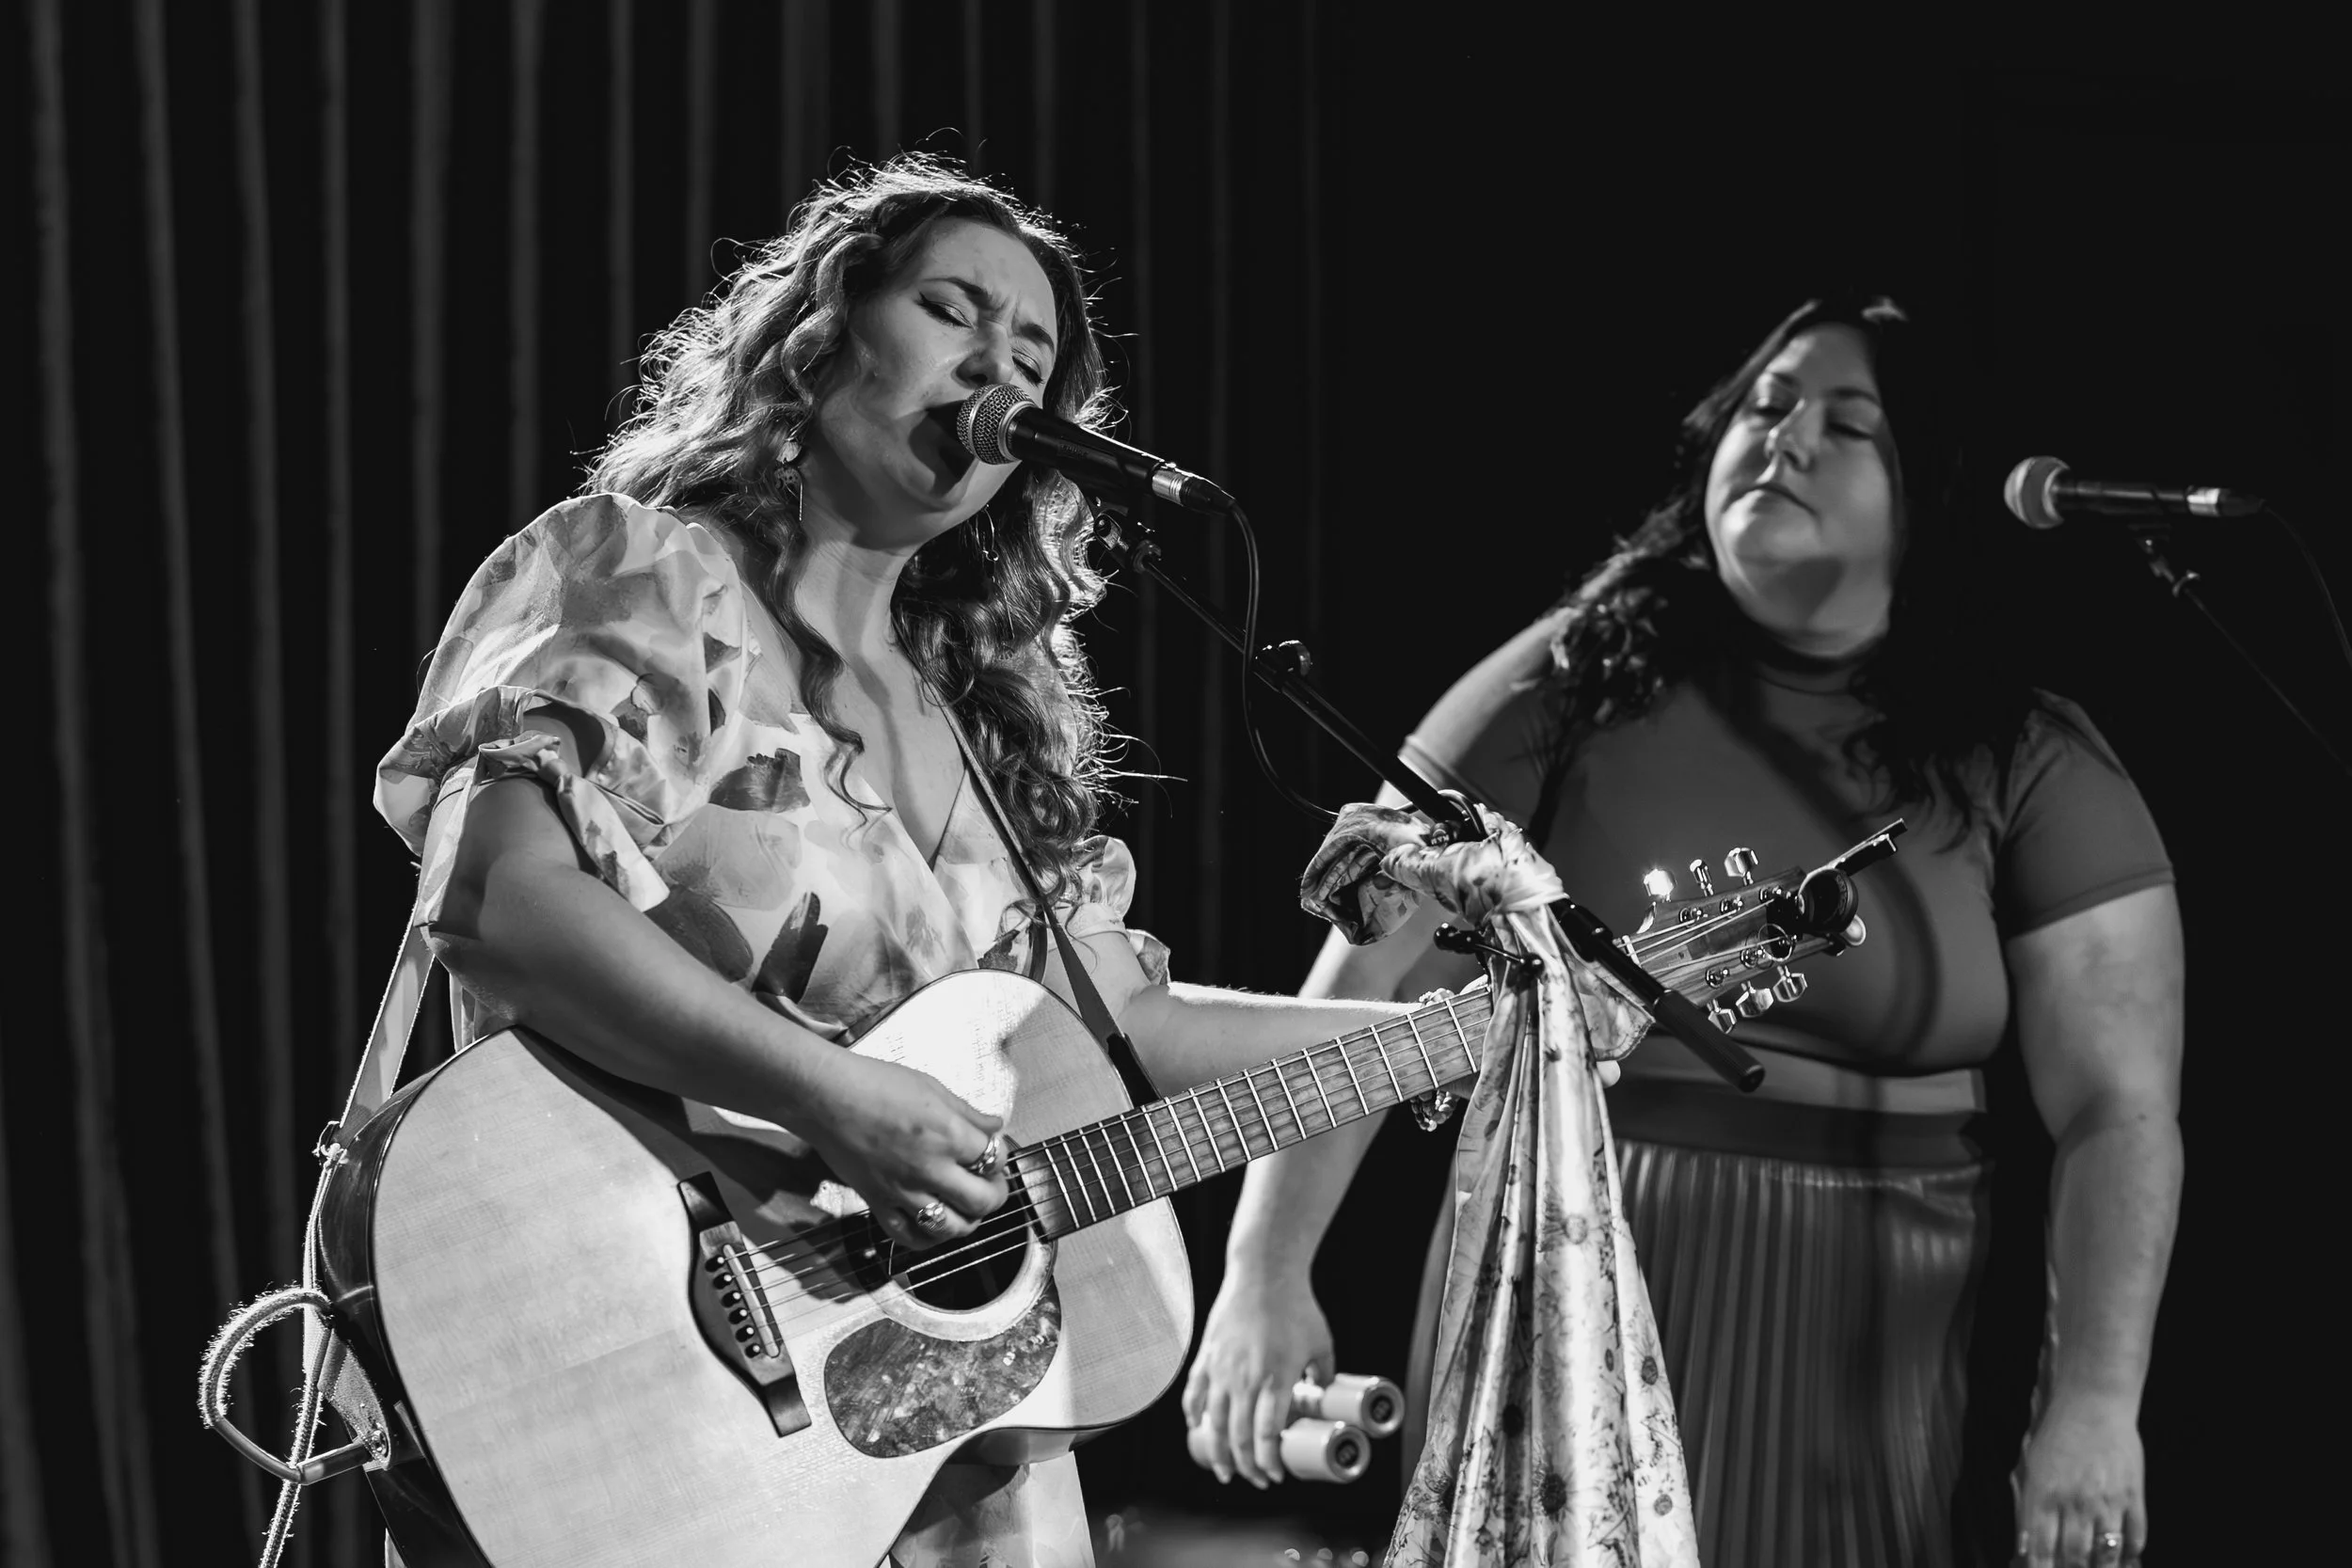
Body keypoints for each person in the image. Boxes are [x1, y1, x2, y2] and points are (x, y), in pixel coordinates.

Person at [373, 154, 1417, 1568]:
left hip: (949, 1455)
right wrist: (834, 1096)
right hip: (648, 1365)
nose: (1000, 368)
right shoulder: (646, 573)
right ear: (822, 330)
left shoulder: (988, 715)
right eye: (953, 309)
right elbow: (499, 902)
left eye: (1036, 354)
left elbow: (1125, 1030)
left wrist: (1443, 1038)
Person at [1181, 299, 2183, 1568]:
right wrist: (1265, 1271)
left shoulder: (2032, 756)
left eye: (1847, 423)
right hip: (1556, 1279)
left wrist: (2096, 1402)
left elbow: (2121, 1112)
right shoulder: (1570, 678)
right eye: (1761, 410)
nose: (1785, 441)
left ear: (1925, 485)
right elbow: (1362, 985)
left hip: (1881, 1352)